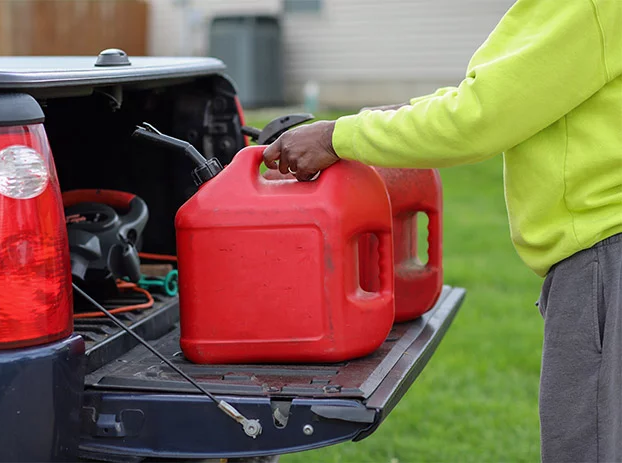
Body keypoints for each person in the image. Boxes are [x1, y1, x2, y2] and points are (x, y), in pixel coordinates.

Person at [262, 1, 622, 462]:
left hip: (605, 256)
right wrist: (382, 119)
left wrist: (335, 136)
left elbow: (479, 118)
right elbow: (502, 97)